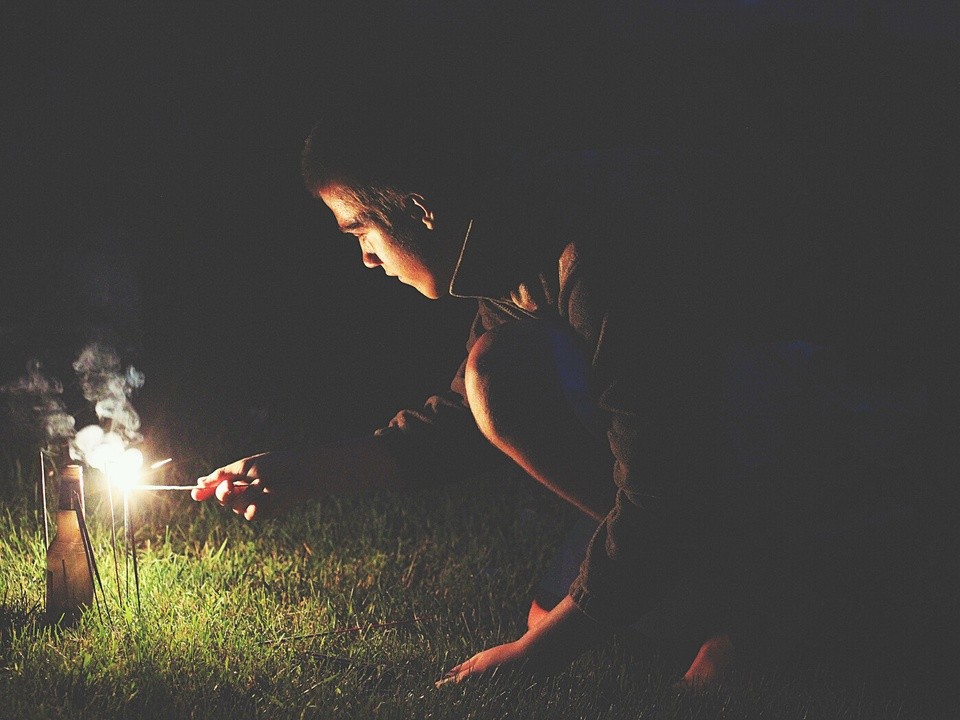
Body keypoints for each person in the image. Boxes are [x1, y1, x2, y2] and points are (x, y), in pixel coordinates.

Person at [192, 105, 940, 687]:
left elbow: (663, 477)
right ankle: (735, 583)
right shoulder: (509, 237)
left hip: (825, 424)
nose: (364, 257)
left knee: (508, 399)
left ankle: (791, 578)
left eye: (360, 229)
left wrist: (532, 657)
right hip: (726, 450)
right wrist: (304, 473)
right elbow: (458, 424)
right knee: (554, 602)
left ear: (419, 207)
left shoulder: (597, 250)